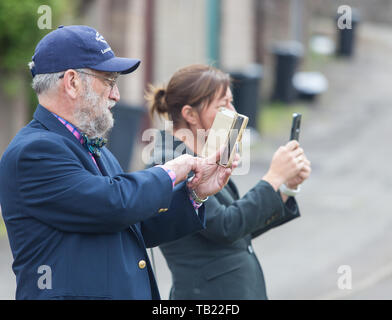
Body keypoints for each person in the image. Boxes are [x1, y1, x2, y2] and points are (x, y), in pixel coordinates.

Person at [0, 26, 236, 300]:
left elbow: (133, 224)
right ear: (72, 82)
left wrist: (195, 193)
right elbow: (112, 203)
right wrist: (171, 171)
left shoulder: (90, 146)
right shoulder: (35, 151)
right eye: (109, 81)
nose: (116, 95)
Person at [146, 64, 312, 300]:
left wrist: (285, 187)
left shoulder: (203, 156)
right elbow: (225, 226)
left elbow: (239, 229)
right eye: (223, 106)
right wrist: (273, 177)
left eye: (231, 103)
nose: (233, 112)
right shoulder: (169, 165)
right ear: (189, 114)